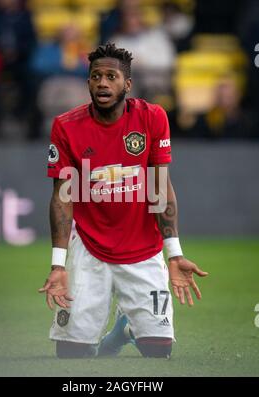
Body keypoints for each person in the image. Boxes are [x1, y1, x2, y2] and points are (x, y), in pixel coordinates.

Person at [39, 43, 208, 359]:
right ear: (88, 82)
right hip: (89, 247)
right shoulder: (66, 126)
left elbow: (159, 187)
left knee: (158, 351)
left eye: (111, 76)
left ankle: (125, 330)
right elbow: (62, 197)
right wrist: (58, 265)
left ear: (127, 84)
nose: (102, 83)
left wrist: (174, 254)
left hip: (143, 248)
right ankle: (97, 331)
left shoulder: (152, 118)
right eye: (96, 76)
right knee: (71, 353)